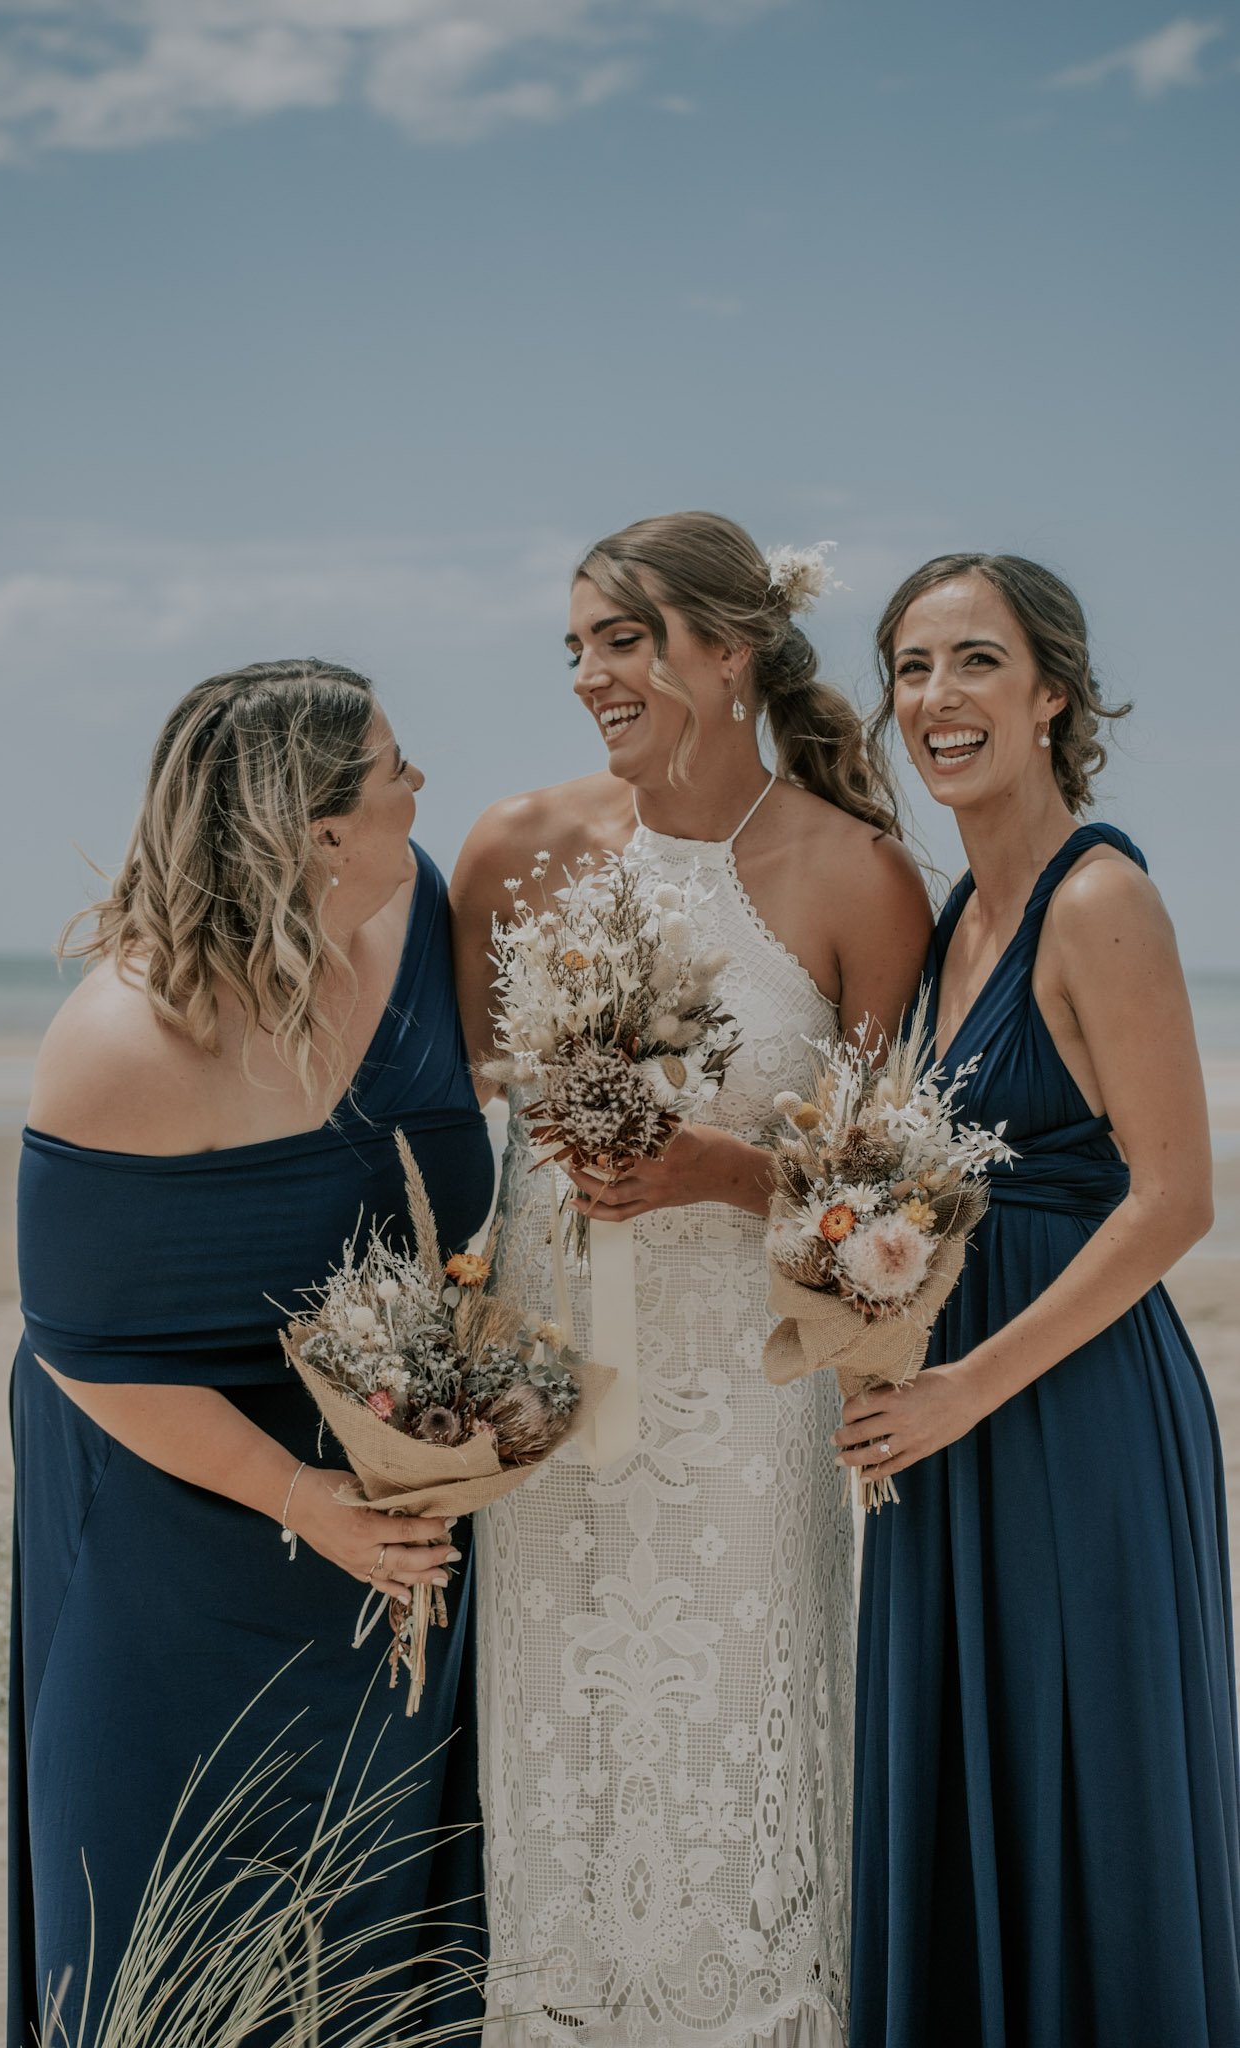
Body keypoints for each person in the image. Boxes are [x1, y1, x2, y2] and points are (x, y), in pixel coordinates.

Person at [451, 512, 932, 2045]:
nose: (593, 672)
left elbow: (895, 1200)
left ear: (728, 653)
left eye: (626, 639)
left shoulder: (860, 876)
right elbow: (446, 1124)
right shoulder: (513, 845)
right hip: (549, 1394)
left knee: (735, 1732)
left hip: (746, 1408)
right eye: (579, 644)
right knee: (556, 1741)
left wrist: (727, 1173)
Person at [9, 659, 493, 2047]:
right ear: (316, 828)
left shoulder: (419, 909)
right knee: (166, 1896)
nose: (419, 785)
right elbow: (82, 1348)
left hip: (390, 1487)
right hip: (173, 1500)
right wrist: (301, 1499)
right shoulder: (121, 1041)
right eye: (393, 764)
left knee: (373, 1915)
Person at [840, 555, 1240, 2047]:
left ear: (1050, 692)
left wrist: (962, 1386)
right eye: (909, 669)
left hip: (1064, 1414)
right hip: (949, 1418)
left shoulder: (1100, 897)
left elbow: (1171, 1200)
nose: (934, 699)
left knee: (1094, 1783)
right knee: (969, 1776)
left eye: (973, 662)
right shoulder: (954, 921)